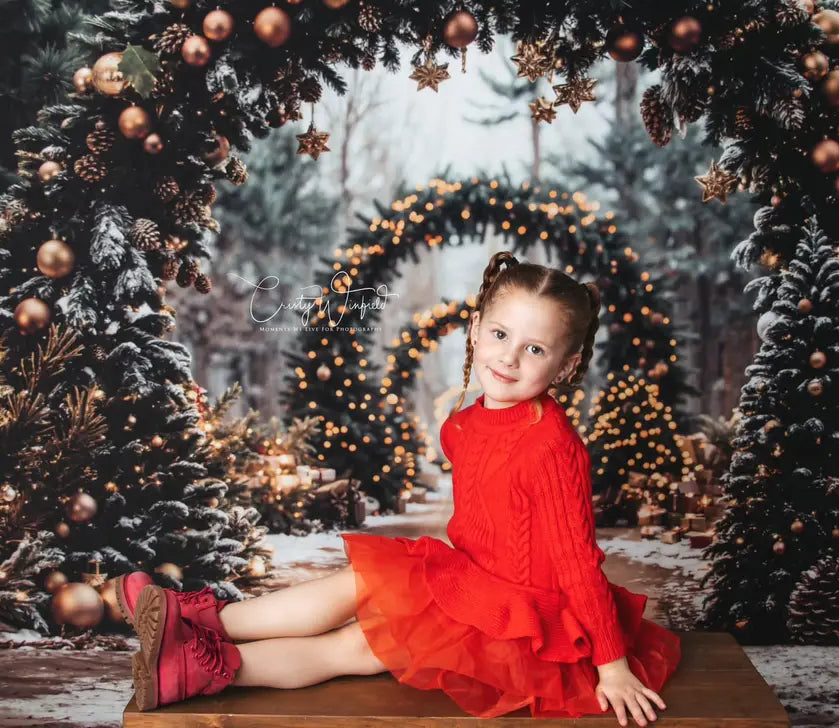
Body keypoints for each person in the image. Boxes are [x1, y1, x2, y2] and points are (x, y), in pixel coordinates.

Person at [113, 250, 681, 726]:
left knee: (359, 647)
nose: (509, 356)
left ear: (565, 365)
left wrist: (611, 664)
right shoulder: (464, 422)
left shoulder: (552, 447)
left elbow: (578, 564)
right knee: (356, 580)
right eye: (502, 334)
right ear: (477, 330)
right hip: (472, 581)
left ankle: (205, 666)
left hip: (531, 623)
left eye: (535, 348)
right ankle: (194, 619)